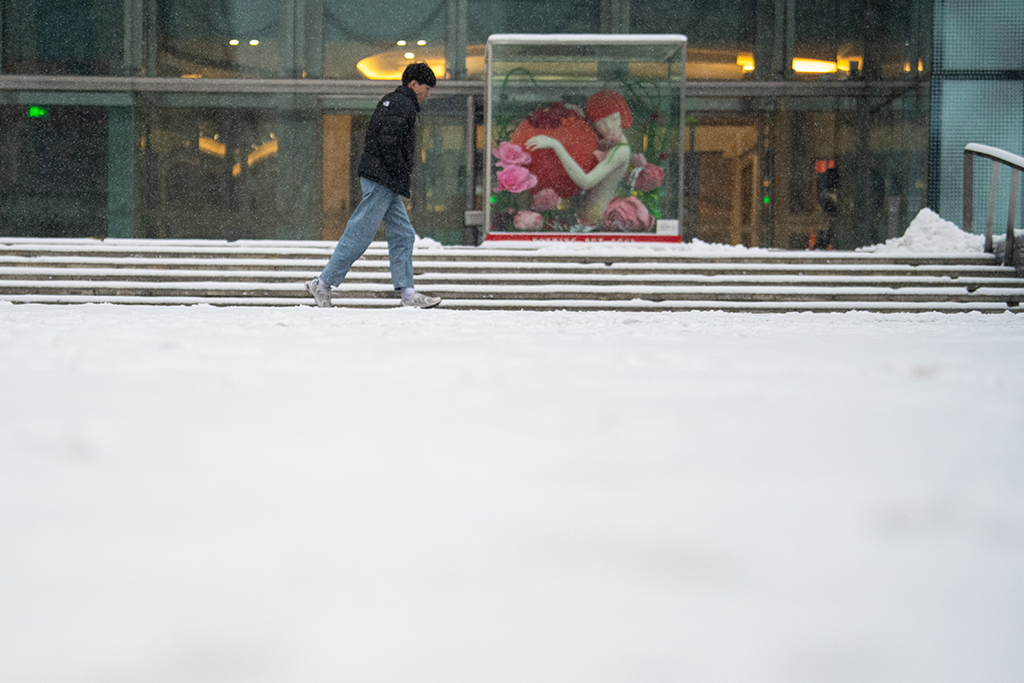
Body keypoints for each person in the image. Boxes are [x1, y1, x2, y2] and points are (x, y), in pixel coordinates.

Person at [305, 62, 441, 308]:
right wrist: (399, 173)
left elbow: (383, 139)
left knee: (403, 233)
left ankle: (408, 295)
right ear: (413, 84)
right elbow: (389, 142)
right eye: (426, 88)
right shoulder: (404, 104)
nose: (428, 94)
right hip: (383, 179)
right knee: (360, 232)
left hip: (382, 177)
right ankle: (322, 284)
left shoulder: (392, 102)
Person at [525, 90, 633, 227]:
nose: (609, 126)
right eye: (601, 122)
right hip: (592, 218)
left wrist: (555, 145)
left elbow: (586, 181)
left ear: (623, 115)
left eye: (614, 118)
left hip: (600, 220)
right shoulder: (610, 145)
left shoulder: (621, 151)